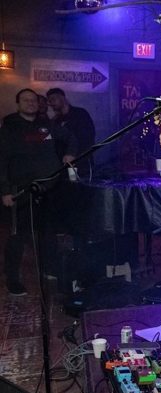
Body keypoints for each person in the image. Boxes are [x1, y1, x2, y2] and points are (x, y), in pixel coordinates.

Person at [0, 88, 77, 295]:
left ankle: (49, 269)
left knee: (48, 232)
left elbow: (71, 137)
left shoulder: (47, 125)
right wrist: (5, 191)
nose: (30, 103)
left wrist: (70, 153)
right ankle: (13, 278)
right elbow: (2, 161)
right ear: (18, 104)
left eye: (33, 100)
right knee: (17, 235)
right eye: (25, 100)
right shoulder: (9, 128)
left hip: (48, 190)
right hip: (20, 191)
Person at [46, 88, 96, 179]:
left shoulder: (80, 114)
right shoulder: (56, 120)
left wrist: (74, 154)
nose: (51, 103)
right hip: (64, 164)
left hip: (80, 162)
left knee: (78, 183)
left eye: (53, 99)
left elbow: (88, 138)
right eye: (49, 101)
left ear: (62, 98)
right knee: (69, 184)